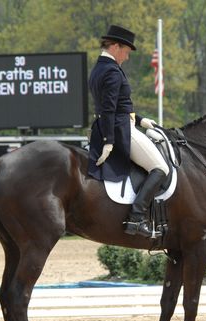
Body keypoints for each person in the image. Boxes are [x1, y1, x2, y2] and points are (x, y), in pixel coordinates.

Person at [88, 25, 169, 238]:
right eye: (126, 51)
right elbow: (109, 108)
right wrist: (109, 141)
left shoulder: (99, 68)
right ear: (115, 46)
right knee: (161, 168)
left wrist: (142, 121)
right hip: (120, 130)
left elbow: (119, 106)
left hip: (118, 125)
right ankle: (136, 218)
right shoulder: (112, 72)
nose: (127, 57)